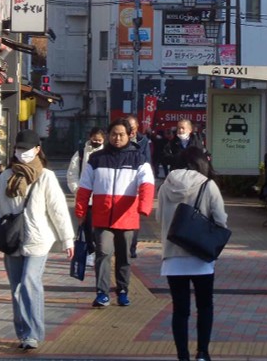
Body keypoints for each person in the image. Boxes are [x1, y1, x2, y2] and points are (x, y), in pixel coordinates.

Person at [0, 130, 74, 350]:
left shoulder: (46, 176)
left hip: (38, 239)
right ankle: (24, 333)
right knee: (16, 287)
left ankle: (33, 333)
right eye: (18, 148)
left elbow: (58, 211)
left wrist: (67, 240)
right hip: (11, 239)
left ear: (37, 150)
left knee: (29, 282)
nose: (22, 152)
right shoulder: (6, 176)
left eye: (26, 149)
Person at [157, 145, 227, 361]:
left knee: (180, 310)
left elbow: (160, 218)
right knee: (205, 306)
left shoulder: (165, 186)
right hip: (201, 256)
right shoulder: (208, 185)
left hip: (173, 257)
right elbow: (221, 221)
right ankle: (203, 353)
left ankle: (182, 356)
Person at [75, 118, 155, 308]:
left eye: (121, 134)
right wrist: (81, 210)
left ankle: (122, 291)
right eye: (113, 134)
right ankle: (102, 293)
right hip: (102, 216)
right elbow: (84, 187)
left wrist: (144, 207)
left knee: (124, 256)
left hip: (127, 217)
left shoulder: (139, 159)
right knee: (103, 253)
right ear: (108, 136)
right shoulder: (96, 159)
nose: (117, 138)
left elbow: (147, 185)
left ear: (129, 135)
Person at [66, 127, 107, 267]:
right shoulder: (82, 153)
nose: (96, 142)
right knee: (87, 227)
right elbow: (72, 173)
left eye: (99, 140)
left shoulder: (107, 153)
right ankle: (91, 251)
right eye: (94, 139)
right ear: (89, 137)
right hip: (86, 198)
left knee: (101, 228)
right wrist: (77, 190)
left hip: (103, 197)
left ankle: (101, 250)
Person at [126, 114, 152, 258]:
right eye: (129, 127)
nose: (131, 131)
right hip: (121, 184)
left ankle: (132, 247)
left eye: (133, 127)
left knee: (134, 218)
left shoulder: (143, 141)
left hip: (136, 183)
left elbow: (148, 162)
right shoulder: (120, 139)